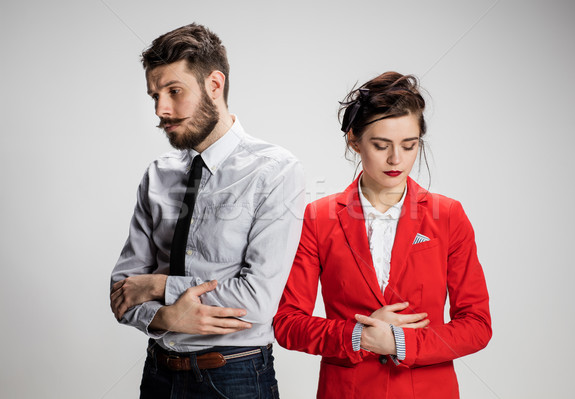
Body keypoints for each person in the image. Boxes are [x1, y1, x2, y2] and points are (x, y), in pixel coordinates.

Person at [110, 23, 304, 398]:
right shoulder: (159, 174)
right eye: (155, 96)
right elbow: (122, 290)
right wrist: (164, 317)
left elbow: (258, 301)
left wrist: (159, 286)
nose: (161, 110)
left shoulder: (275, 170)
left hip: (236, 376)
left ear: (215, 85)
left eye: (174, 92)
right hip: (158, 374)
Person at [273, 72, 492, 398]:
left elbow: (476, 325)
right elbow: (288, 324)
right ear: (354, 140)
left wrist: (400, 342)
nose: (396, 160)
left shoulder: (448, 215)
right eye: (381, 145)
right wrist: (357, 336)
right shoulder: (319, 217)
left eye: (409, 145)